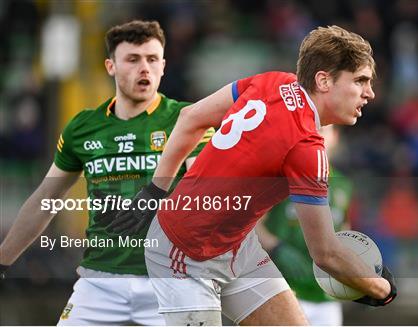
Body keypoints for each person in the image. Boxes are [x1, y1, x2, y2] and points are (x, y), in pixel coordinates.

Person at [109, 25, 397, 325]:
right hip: (185, 252)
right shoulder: (307, 148)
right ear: (323, 80)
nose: (370, 93)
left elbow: (190, 117)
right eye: (360, 80)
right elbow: (325, 253)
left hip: (237, 245)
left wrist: (156, 189)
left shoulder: (273, 81)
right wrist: (381, 288)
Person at [0, 20, 212, 325]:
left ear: (164, 66)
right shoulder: (83, 127)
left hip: (171, 281)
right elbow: (46, 198)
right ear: (111, 66)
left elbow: (208, 192)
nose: (144, 69)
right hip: (100, 282)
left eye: (152, 59)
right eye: (133, 59)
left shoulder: (186, 120)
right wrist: (3, 259)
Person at [256, 124, 354, 325]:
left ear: (334, 137)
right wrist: (277, 248)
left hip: (326, 296)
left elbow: (344, 229)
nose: (317, 138)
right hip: (285, 289)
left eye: (323, 131)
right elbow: (252, 226)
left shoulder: (343, 185)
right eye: (312, 132)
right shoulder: (283, 178)